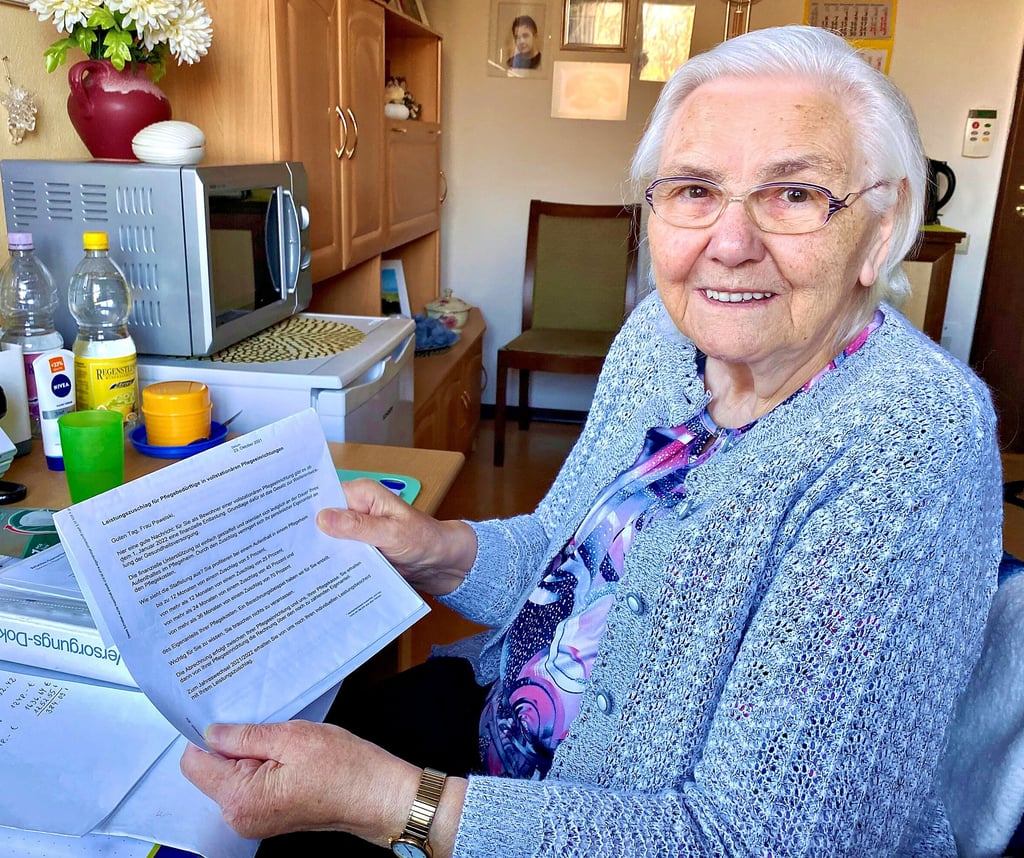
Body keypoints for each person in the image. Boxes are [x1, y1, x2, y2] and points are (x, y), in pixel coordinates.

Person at [181, 24, 1004, 857]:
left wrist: (393, 801)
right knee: (224, 777)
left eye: (793, 195)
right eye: (693, 190)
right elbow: (563, 557)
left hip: (606, 827)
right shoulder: (661, 334)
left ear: (881, 226)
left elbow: (754, 844)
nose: (729, 242)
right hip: (502, 724)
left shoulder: (913, 442)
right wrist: (436, 549)